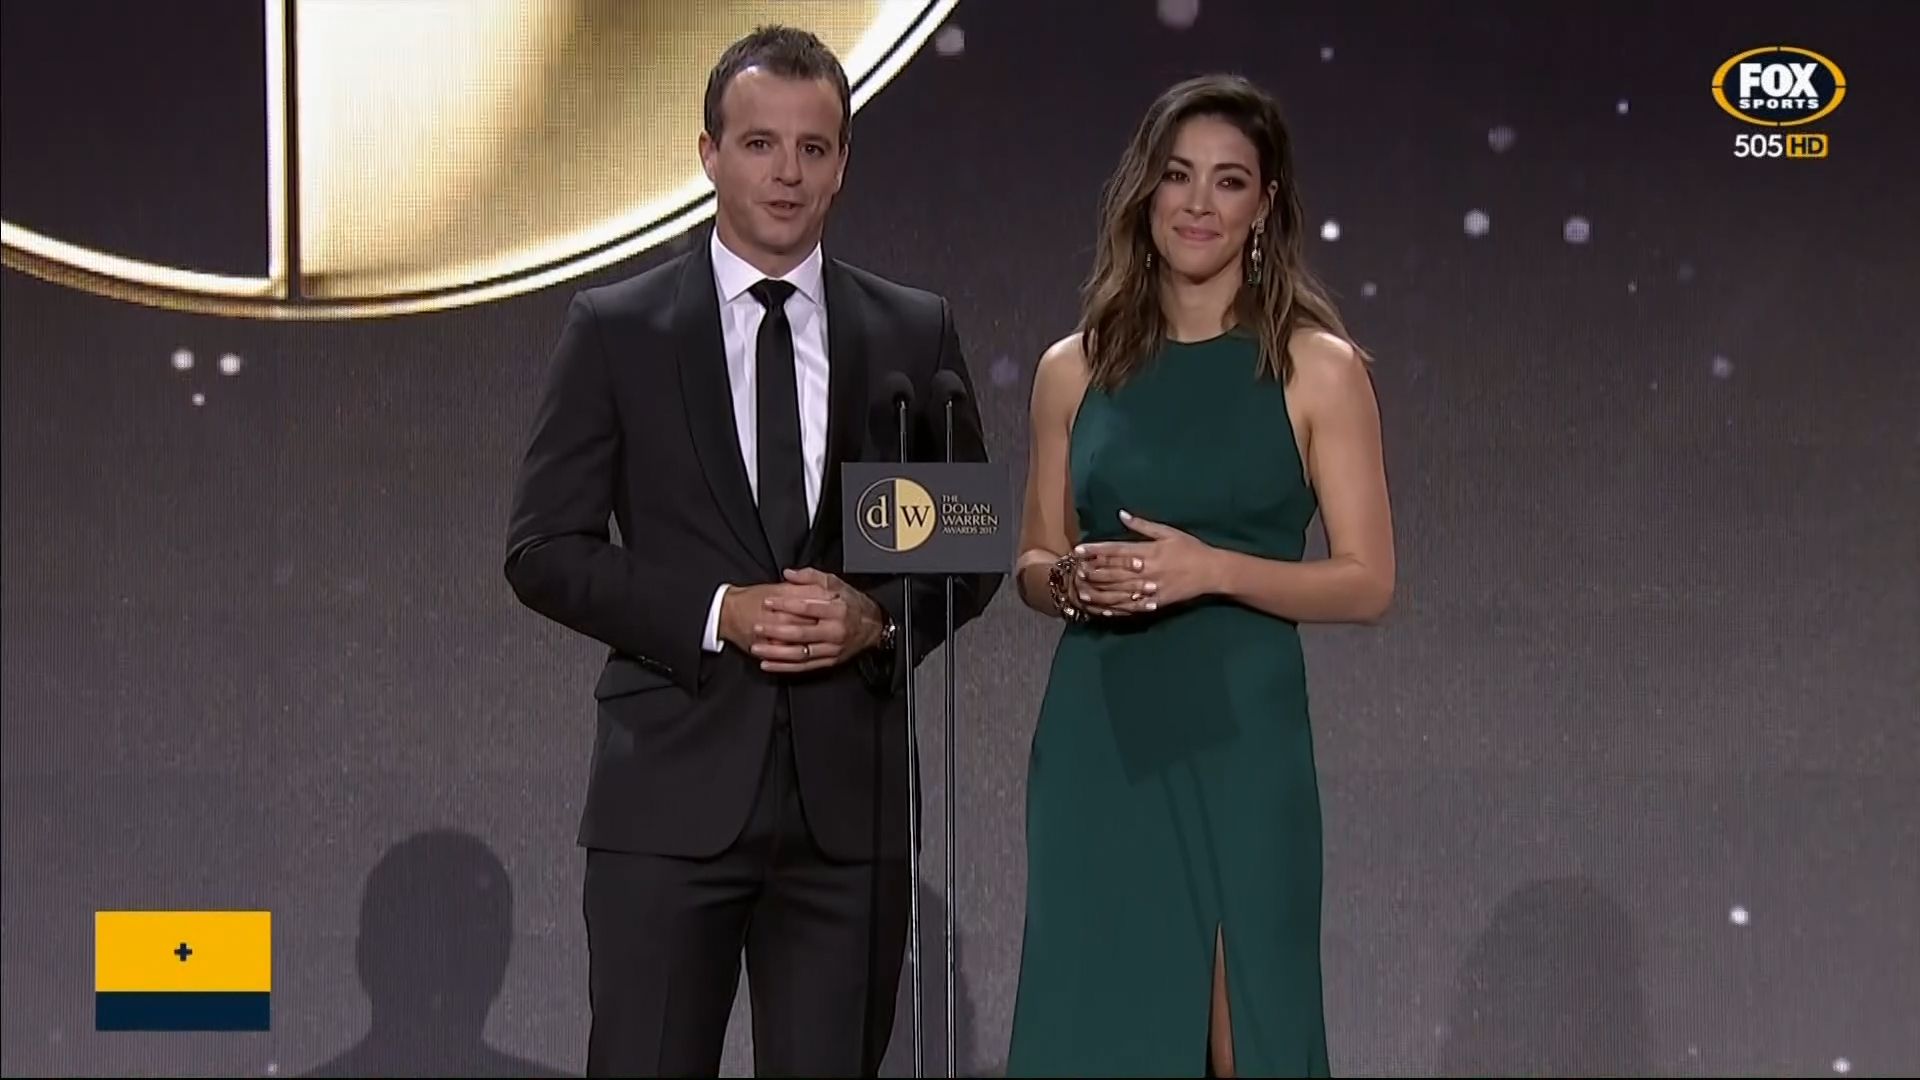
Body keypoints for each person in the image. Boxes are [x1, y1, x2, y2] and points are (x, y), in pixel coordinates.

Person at [503, 26, 999, 1078]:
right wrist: (717, 610)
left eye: (813, 149)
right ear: (709, 154)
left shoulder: (907, 333)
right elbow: (546, 547)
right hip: (668, 799)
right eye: (760, 144)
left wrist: (878, 618)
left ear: (843, 164)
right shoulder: (622, 328)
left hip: (848, 813)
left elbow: (966, 539)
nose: (787, 173)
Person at [1006, 74, 1395, 1077]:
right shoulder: (1072, 368)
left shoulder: (1318, 368)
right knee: (1097, 1022)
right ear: (1145, 191)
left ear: (1265, 204)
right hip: (1100, 733)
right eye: (1178, 176)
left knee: (1246, 1025)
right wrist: (1070, 583)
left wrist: (1209, 569)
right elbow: (1033, 560)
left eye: (1229, 182)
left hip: (1242, 739)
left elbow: (1366, 582)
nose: (1198, 204)